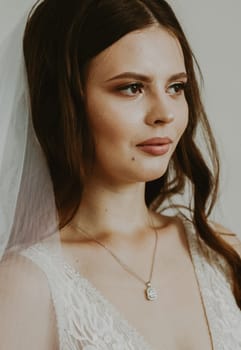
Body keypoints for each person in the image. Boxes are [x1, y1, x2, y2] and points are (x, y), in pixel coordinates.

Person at [0, 0, 240, 349]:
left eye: (175, 87)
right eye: (132, 87)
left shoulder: (219, 251)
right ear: (65, 101)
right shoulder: (26, 286)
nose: (164, 113)